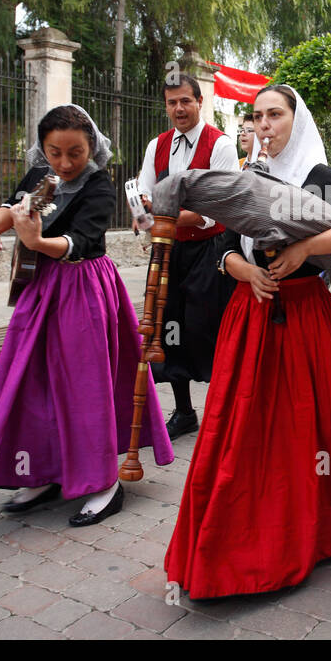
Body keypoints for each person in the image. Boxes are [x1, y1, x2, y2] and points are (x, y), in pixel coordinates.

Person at [165, 84, 331, 599]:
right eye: (257, 117)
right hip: (250, 317)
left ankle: (321, 530)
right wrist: (243, 272)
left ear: (297, 122)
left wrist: (303, 252)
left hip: (305, 321)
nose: (264, 125)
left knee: (312, 429)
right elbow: (224, 248)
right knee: (244, 431)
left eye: (275, 115)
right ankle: (241, 539)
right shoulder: (247, 179)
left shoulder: (320, 177)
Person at [0, 105, 173, 525]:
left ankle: (103, 484)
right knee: (28, 380)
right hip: (39, 291)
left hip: (82, 289)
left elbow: (79, 242)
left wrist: (37, 241)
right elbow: (13, 206)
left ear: (91, 147)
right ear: (43, 149)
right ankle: (43, 472)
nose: (64, 162)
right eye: (54, 152)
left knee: (85, 387)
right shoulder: (40, 175)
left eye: (75, 153)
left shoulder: (100, 184)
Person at [137, 73, 238, 439]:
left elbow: (220, 205)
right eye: (172, 102)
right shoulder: (157, 145)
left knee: (208, 326)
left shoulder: (221, 145)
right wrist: (145, 213)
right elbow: (146, 194)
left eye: (185, 101)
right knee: (170, 326)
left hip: (208, 251)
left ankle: (220, 412)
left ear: (199, 102)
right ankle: (183, 411)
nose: (179, 108)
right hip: (168, 251)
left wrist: (164, 216)